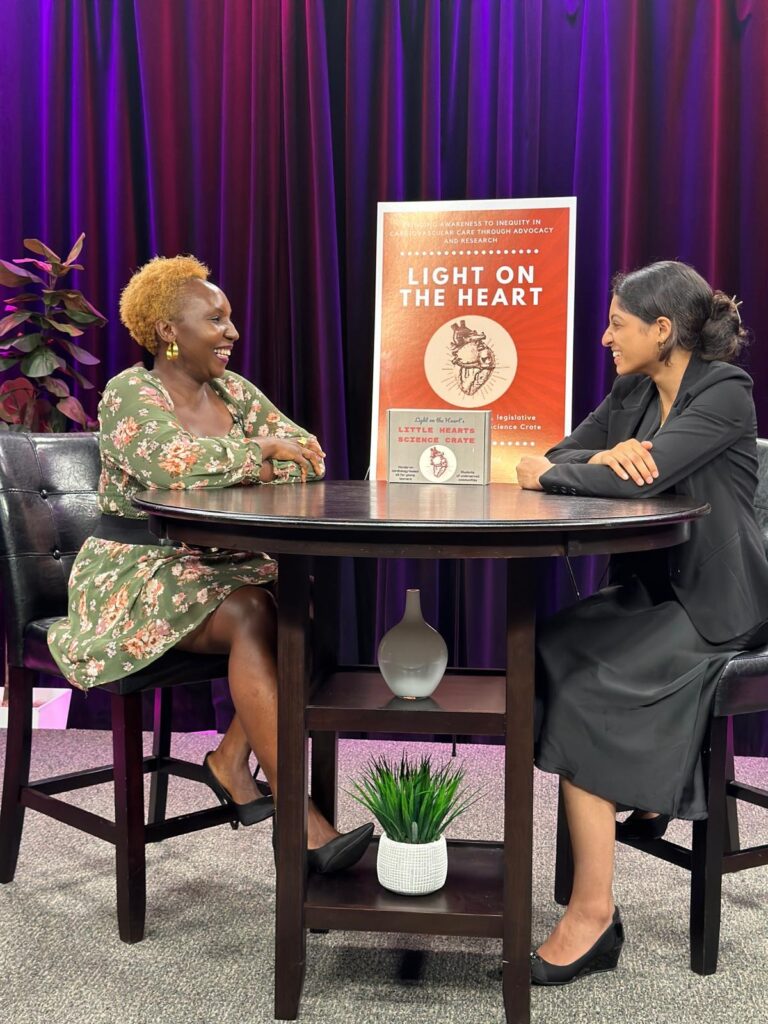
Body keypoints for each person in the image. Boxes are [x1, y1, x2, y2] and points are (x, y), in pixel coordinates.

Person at [48, 255, 373, 873]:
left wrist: (260, 455)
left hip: (220, 567)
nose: (232, 332)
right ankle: (300, 823)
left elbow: (310, 454)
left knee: (300, 609)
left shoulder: (234, 392)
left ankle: (229, 759)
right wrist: (260, 454)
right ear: (169, 331)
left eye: (230, 319)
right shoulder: (128, 393)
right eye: (215, 319)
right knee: (255, 611)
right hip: (137, 569)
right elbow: (169, 464)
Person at [516, 261, 768, 985]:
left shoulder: (725, 391)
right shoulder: (632, 391)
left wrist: (614, 464)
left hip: (718, 604)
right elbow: (561, 457)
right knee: (552, 646)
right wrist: (605, 453)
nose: (604, 338)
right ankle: (648, 782)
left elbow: (640, 474)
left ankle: (594, 915)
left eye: (618, 324)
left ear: (662, 330)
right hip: (653, 591)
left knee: (590, 689)